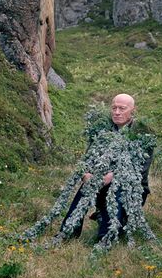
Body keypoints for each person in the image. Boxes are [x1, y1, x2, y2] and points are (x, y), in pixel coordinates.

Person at [61, 93, 154, 243]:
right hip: (101, 181)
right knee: (86, 188)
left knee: (115, 194)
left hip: (130, 187)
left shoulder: (142, 134)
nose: (117, 112)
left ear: (133, 110)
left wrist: (112, 177)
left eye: (122, 108)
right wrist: (86, 173)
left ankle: (105, 238)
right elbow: (89, 157)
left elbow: (140, 169)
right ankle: (68, 233)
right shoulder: (103, 130)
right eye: (114, 108)